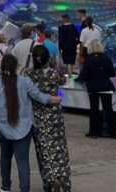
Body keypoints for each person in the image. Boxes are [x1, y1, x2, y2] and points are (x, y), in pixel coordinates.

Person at [0, 53, 62, 192]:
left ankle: (5, 187)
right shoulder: (24, 81)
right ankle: (25, 189)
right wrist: (55, 99)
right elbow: (39, 96)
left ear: (2, 65)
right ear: (16, 66)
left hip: (2, 126)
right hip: (24, 127)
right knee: (22, 160)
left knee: (5, 156)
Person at [26, 45, 71, 192]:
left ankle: (50, 180)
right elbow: (63, 81)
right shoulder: (54, 73)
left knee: (43, 150)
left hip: (38, 117)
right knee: (60, 150)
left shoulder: (29, 74)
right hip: (55, 116)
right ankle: (62, 179)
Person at [76, 39, 116, 139]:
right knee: (108, 109)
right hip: (106, 87)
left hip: (93, 88)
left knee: (94, 109)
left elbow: (84, 75)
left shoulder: (88, 60)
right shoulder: (106, 59)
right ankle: (114, 133)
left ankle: (94, 132)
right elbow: (113, 73)